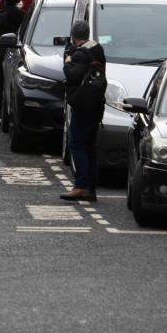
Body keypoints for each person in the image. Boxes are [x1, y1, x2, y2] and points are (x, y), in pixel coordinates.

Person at [60, 19, 107, 202]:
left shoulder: (80, 54)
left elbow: (73, 75)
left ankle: (81, 186)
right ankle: (90, 188)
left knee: (76, 144)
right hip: (96, 104)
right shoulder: (97, 49)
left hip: (83, 105)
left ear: (73, 36)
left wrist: (67, 62)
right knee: (89, 146)